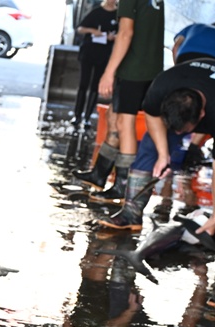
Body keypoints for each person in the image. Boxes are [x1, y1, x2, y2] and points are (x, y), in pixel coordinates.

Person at [98, 56, 215, 232]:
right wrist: (163, 154)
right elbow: (152, 115)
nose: (177, 134)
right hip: (184, 83)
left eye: (183, 131)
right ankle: (131, 213)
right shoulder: (162, 86)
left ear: (202, 115)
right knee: (150, 147)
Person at [92, 0, 165, 206]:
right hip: (151, 67)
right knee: (119, 120)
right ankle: (102, 176)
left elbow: (125, 33)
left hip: (133, 69)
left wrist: (108, 72)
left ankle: (122, 186)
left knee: (125, 124)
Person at [72, 0, 118, 129]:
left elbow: (123, 33)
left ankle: (87, 117)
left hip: (104, 54)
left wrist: (113, 37)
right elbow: (80, 28)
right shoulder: (96, 12)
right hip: (89, 51)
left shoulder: (118, 15)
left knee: (95, 86)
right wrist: (93, 31)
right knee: (83, 84)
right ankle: (77, 115)